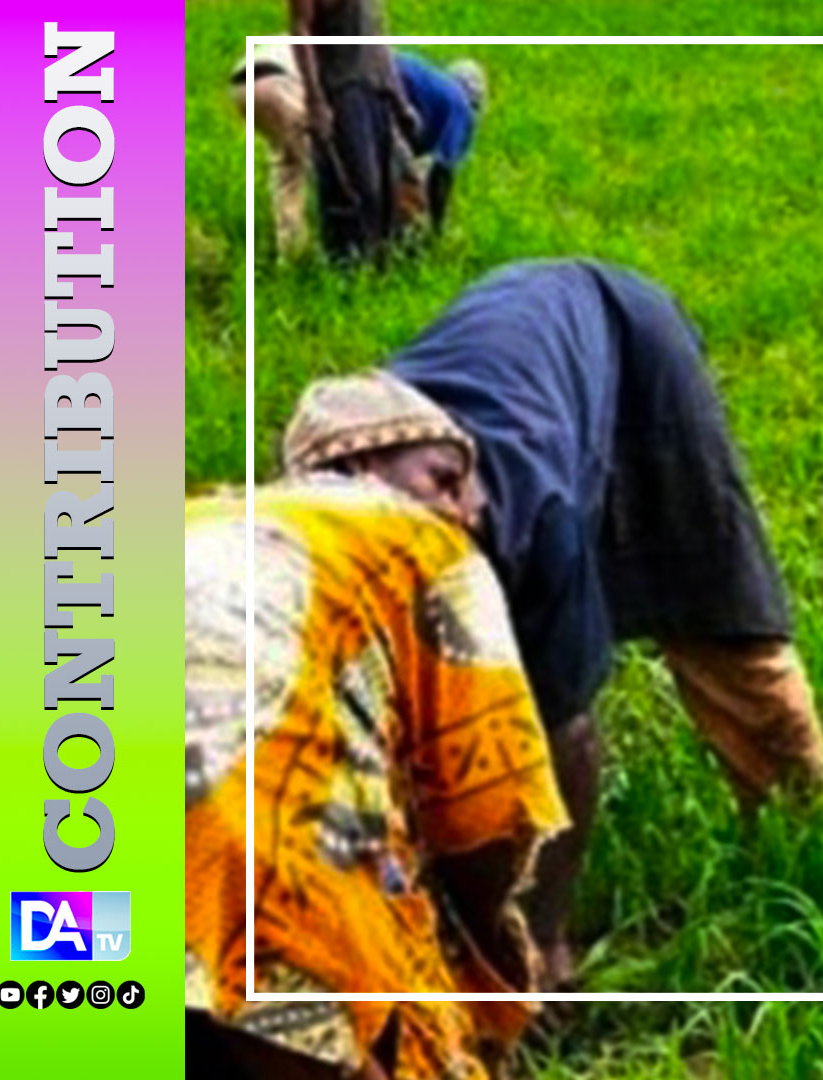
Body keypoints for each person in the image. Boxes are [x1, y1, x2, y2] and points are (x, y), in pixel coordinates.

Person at [376, 259, 823, 989]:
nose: (458, 511)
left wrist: (548, 933)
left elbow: (569, 734)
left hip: (633, 341)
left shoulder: (525, 516)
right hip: (532, 359)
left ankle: (811, 838)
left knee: (713, 599)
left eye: (457, 496)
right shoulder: (323, 514)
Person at [185, 373, 566, 1080]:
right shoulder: (413, 537)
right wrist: (499, 969)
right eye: (446, 479)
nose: (468, 513)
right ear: (358, 467)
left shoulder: (194, 521)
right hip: (231, 836)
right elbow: (487, 814)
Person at [288, 0, 417, 260]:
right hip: (342, 89)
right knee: (356, 190)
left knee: (384, 192)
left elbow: (380, 40)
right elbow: (300, 28)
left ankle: (377, 273)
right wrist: (315, 100)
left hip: (377, 88)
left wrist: (400, 101)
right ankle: (347, 273)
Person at [229, 44, 312, 257]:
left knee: (287, 165)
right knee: (323, 165)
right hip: (278, 81)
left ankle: (291, 251)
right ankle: (348, 249)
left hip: (241, 88)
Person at [391, 52, 486, 234]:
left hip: (375, 69)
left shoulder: (436, 89)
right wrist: (437, 227)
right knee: (406, 195)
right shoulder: (461, 108)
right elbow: (442, 173)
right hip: (382, 87)